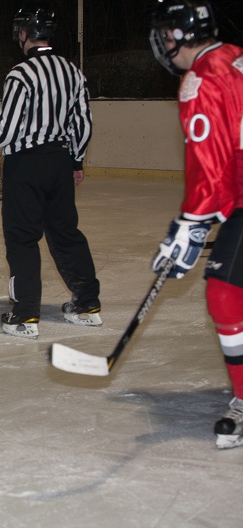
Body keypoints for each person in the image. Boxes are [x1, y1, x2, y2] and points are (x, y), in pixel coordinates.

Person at [149, 0, 243, 449]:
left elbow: (213, 169)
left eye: (167, 33)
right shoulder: (235, 55)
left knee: (226, 294)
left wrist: (190, 226)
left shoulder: (201, 80)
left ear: (182, 36)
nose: (162, 42)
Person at [0, 3, 99, 339]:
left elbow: (10, 124)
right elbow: (84, 123)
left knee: (22, 238)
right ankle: (87, 305)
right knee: (66, 234)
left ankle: (25, 315)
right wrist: (76, 161)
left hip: (26, 165)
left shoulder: (21, 74)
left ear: (25, 33)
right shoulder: (73, 72)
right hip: (60, 161)